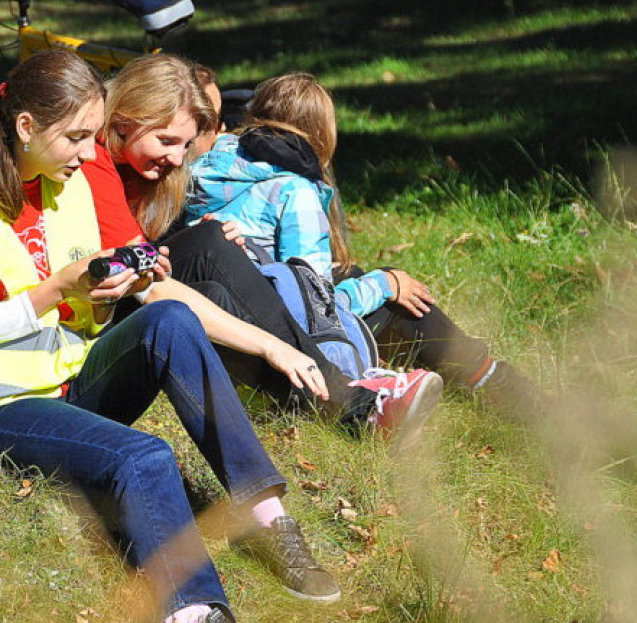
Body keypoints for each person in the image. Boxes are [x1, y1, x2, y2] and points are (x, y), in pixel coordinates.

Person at [0, 51, 345, 623]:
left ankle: (267, 518)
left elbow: (103, 308)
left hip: (65, 381)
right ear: (26, 127)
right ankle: (193, 618)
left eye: (92, 136)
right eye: (77, 138)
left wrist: (111, 292)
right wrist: (58, 286)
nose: (90, 154)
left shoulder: (74, 180)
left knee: (169, 317)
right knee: (143, 456)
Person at [83, 53, 444, 434]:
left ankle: (334, 409)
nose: (177, 158)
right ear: (126, 120)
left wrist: (183, 239)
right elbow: (136, 271)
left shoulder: (151, 171)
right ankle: (352, 400)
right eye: (167, 141)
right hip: (105, 317)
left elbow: (147, 250)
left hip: (130, 300)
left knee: (215, 288)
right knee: (211, 242)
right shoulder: (96, 166)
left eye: (186, 145)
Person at [185, 72, 543, 420]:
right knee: (398, 300)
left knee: (352, 275)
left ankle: (471, 377)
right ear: (323, 135)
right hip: (275, 338)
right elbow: (314, 308)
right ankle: (494, 382)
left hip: (219, 320)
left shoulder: (209, 167)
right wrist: (383, 285)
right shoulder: (295, 189)